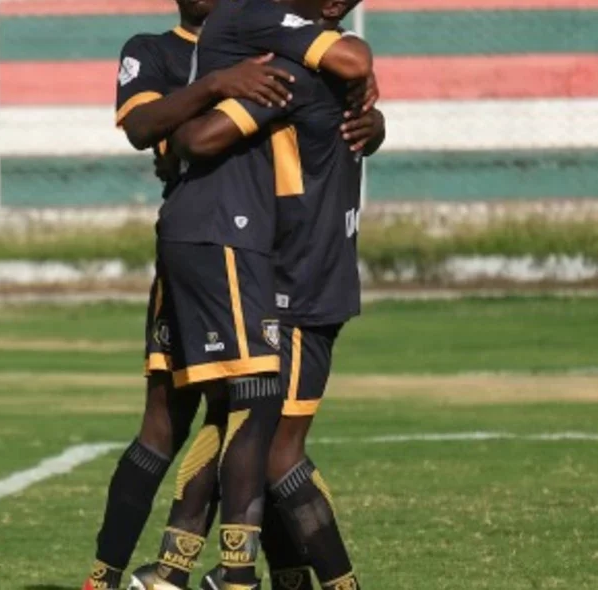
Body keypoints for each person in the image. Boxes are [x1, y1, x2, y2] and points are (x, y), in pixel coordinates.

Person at [132, 0, 382, 588]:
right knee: (234, 422)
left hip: (298, 281)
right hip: (297, 272)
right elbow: (352, 65)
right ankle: (190, 571)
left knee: (275, 452)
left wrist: (187, 123)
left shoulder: (290, 74)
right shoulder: (331, 66)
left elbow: (199, 139)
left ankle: (321, 582)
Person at [86, 0, 299, 587]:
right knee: (167, 422)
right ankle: (105, 577)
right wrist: (216, 84)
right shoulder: (152, 50)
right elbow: (141, 128)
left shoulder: (265, 43)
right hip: (195, 246)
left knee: (246, 409)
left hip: (251, 242)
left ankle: (189, 570)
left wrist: (372, 120)